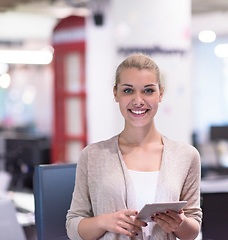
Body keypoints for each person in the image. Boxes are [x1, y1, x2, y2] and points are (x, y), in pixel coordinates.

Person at [66, 53, 202, 240]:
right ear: (116, 94)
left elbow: (193, 229)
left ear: (160, 94)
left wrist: (180, 223)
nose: (138, 100)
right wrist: (103, 221)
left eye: (148, 91)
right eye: (128, 91)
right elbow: (73, 226)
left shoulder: (186, 155)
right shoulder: (92, 156)